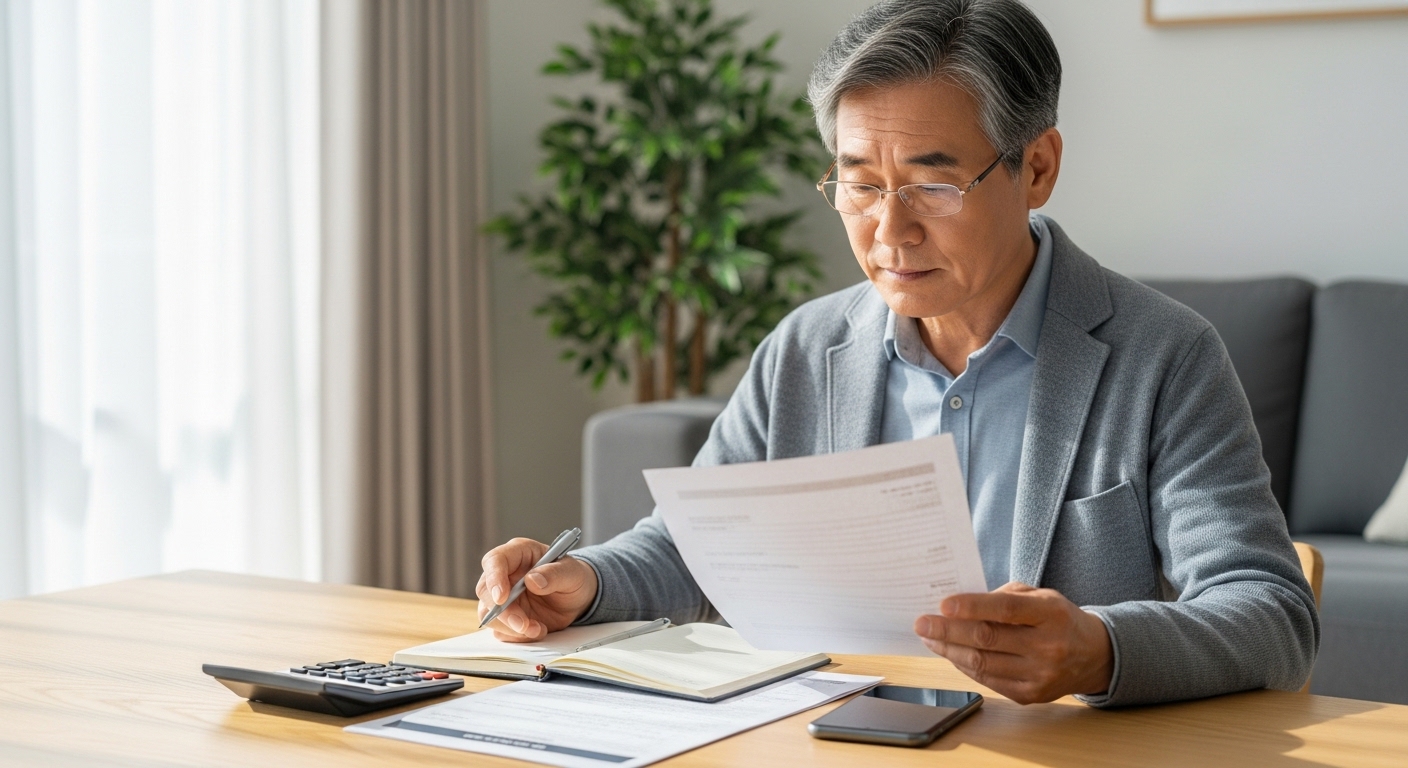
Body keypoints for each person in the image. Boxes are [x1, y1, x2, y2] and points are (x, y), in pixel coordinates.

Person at [476, 0, 1318, 707]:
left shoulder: (1162, 356)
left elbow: (1272, 612)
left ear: (1038, 167)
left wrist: (1098, 647)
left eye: (931, 184)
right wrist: (580, 582)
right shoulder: (806, 349)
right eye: (859, 184)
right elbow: (692, 548)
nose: (889, 230)